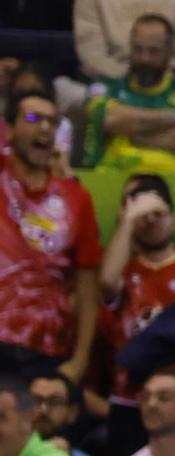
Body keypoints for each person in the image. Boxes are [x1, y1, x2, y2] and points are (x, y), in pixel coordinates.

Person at [0, 91, 100, 384]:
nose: (44, 127)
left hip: (46, 350)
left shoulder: (76, 198)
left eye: (52, 122)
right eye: (32, 118)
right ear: (8, 129)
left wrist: (79, 362)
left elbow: (88, 287)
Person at [79, 15, 175, 179]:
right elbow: (110, 120)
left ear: (170, 51)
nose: (144, 58)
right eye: (138, 49)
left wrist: (133, 134)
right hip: (111, 177)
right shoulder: (106, 87)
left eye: (153, 51)